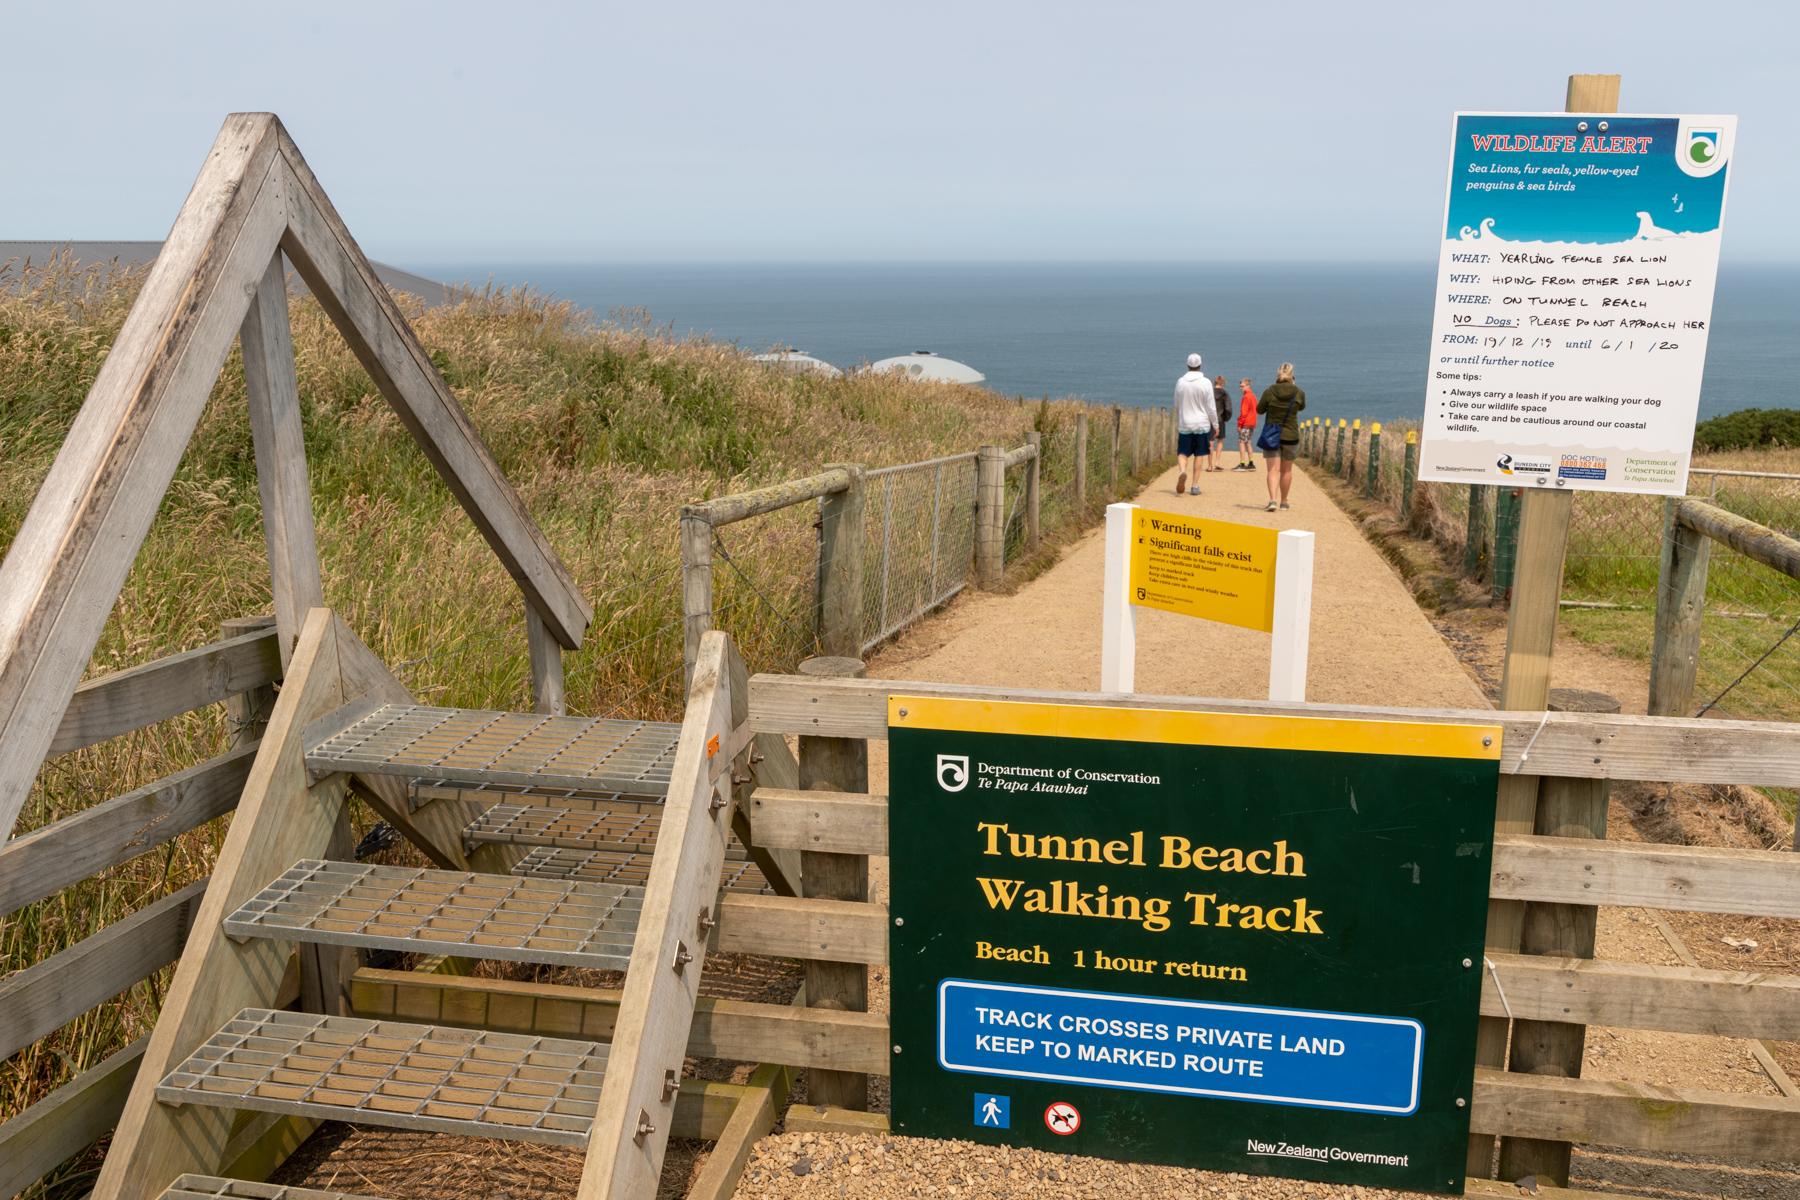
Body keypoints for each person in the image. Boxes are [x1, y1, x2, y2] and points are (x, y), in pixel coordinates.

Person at [1257, 362, 1306, 511]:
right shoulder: (1298, 392)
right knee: (1286, 470)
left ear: (1278, 375)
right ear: (1292, 377)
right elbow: (1301, 407)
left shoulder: (1270, 391)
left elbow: (1259, 410)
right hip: (1291, 435)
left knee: (1273, 470)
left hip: (1272, 435)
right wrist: (1294, 385)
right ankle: (1284, 502)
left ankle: (1273, 501)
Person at [1173, 353, 1213, 495]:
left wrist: (1180, 418)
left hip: (1185, 424)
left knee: (1182, 453)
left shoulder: (1181, 382)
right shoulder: (1206, 382)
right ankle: (1194, 486)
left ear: (1187, 365)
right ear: (1200, 365)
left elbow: (1177, 404)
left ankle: (1183, 472)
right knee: (1199, 454)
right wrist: (1216, 424)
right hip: (1202, 424)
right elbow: (1211, 407)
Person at [1237, 378, 1258, 469]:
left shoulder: (1246, 397)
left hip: (1246, 423)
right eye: (1240, 386)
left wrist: (1239, 424)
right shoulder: (1253, 396)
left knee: (1241, 442)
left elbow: (1244, 412)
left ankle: (1242, 463)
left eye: (1242, 386)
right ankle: (1251, 463)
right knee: (1248, 442)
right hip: (1252, 423)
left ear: (1248, 386)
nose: (1241, 388)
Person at [1211, 375, 1230, 471]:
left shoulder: (1210, 392)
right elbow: (1228, 408)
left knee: (1210, 441)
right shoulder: (1224, 394)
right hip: (1221, 419)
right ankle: (1217, 462)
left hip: (1210, 419)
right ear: (1222, 384)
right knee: (1220, 441)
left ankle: (1209, 464)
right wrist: (1226, 418)